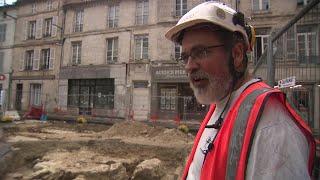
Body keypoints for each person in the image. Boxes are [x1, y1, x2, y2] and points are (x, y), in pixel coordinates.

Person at [165, 2, 315, 180]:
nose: (189, 66)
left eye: (201, 52)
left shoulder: (272, 128)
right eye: (185, 57)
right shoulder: (221, 102)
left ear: (236, 54)